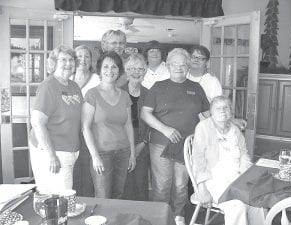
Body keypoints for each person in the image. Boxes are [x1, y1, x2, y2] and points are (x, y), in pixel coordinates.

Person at [141, 48, 210, 225]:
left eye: (183, 64)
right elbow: (145, 114)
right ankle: (159, 218)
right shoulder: (158, 87)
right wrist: (165, 129)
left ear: (188, 66)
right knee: (162, 185)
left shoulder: (196, 87)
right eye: (174, 64)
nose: (178, 67)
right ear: (168, 65)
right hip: (161, 144)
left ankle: (179, 216)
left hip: (187, 146)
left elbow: (209, 115)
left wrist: (228, 123)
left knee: (181, 185)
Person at [192, 96, 265, 225]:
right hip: (213, 178)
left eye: (226, 107)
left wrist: (246, 176)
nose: (222, 111)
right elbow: (198, 160)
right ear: (211, 112)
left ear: (230, 111)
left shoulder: (235, 129)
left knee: (258, 201)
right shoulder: (203, 127)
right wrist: (202, 189)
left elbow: (244, 154)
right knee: (237, 206)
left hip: (236, 176)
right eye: (218, 108)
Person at [82, 51, 136, 199]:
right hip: (102, 153)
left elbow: (128, 125)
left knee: (118, 195)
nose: (110, 71)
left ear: (119, 71)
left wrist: (132, 153)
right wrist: (94, 156)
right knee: (103, 197)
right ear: (99, 70)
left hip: (123, 152)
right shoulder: (92, 94)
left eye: (114, 67)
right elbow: (85, 128)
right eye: (105, 67)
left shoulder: (124, 96)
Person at [29, 45, 83, 193]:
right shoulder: (48, 86)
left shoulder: (74, 86)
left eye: (71, 59)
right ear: (53, 63)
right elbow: (37, 123)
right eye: (63, 59)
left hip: (69, 149)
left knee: (63, 193)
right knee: (59, 196)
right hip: (53, 150)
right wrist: (52, 156)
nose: (68, 63)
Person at [72, 45, 101, 197]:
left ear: (91, 61)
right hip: (70, 130)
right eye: (79, 56)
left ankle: (88, 202)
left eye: (86, 56)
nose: (82, 59)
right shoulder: (67, 77)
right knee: (73, 168)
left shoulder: (96, 79)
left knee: (88, 167)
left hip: (90, 130)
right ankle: (74, 201)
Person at [121, 53, 150, 201]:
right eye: (132, 68)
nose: (136, 72)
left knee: (140, 184)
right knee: (124, 184)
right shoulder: (117, 92)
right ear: (126, 70)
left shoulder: (150, 94)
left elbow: (152, 124)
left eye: (140, 69)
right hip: (121, 143)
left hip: (143, 143)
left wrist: (143, 144)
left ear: (145, 71)